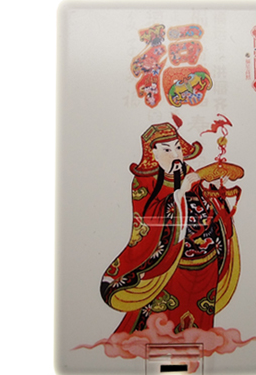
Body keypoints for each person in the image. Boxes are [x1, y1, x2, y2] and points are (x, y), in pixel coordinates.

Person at [100, 121, 241, 335]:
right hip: (168, 261)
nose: (175, 154)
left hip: (205, 258)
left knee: (199, 316)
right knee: (161, 317)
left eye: (177, 148)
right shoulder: (143, 181)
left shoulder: (188, 171)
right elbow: (146, 220)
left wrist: (215, 193)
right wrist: (180, 193)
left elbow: (206, 199)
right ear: (153, 154)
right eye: (167, 150)